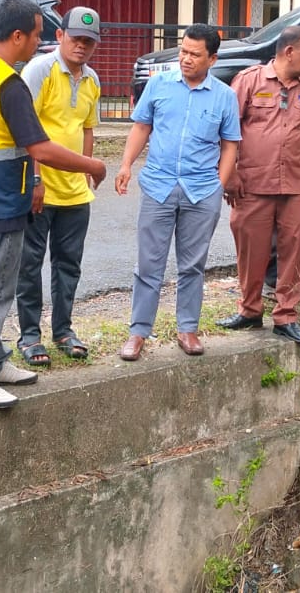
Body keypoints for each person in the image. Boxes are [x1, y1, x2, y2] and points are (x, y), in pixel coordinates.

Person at [0, 0, 107, 409]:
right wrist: (92, 164)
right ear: (17, 36)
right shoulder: (8, 83)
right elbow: (42, 148)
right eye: (36, 36)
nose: (38, 44)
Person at [114, 24, 240, 361]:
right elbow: (142, 127)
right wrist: (126, 164)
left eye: (194, 55)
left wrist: (219, 185)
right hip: (158, 186)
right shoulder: (159, 84)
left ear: (212, 59)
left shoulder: (224, 97)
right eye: (183, 51)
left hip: (202, 192)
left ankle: (188, 328)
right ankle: (138, 332)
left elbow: (230, 146)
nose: (185, 59)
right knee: (148, 265)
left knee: (193, 265)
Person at [218, 26, 300, 344]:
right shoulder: (249, 80)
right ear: (289, 52)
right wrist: (230, 173)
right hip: (253, 183)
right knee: (251, 249)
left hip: (296, 186)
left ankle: (286, 315)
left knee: (295, 250)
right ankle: (250, 310)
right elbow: (227, 129)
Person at [14, 7, 103, 367]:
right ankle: (30, 336)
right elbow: (26, 130)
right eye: (76, 38)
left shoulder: (92, 80)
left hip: (74, 194)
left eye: (89, 41)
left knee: (69, 264)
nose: (81, 46)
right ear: (60, 36)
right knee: (30, 264)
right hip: (41, 189)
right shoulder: (40, 70)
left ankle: (64, 331)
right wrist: (34, 179)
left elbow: (87, 128)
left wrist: (84, 172)